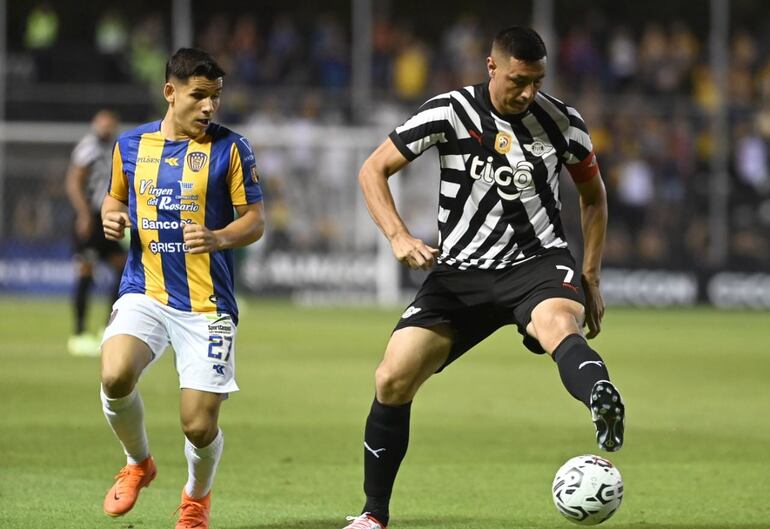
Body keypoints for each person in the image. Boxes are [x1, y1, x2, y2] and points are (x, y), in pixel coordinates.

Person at [343, 26, 624, 529]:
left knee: (559, 323)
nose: (528, 93)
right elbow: (373, 169)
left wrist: (590, 275)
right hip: (461, 274)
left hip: (537, 265)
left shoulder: (562, 122)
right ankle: (373, 515)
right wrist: (397, 236)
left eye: (537, 81)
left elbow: (593, 195)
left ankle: (601, 396)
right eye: (518, 80)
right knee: (392, 378)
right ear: (492, 67)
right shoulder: (449, 112)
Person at [99, 48, 264, 529]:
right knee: (114, 375)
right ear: (170, 93)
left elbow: (255, 220)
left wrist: (218, 238)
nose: (210, 107)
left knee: (197, 423)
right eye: (199, 96)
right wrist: (111, 215)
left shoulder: (232, 148)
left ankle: (196, 497)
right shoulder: (130, 146)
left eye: (216, 96)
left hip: (206, 304)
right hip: (145, 290)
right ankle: (139, 463)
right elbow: (114, 198)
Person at [65, 109, 125, 357]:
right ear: (95, 125)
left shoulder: (116, 147)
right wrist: (82, 214)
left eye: (110, 124)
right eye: (102, 124)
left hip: (107, 218)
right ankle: (79, 333)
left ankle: (106, 327)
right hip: (90, 218)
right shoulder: (87, 148)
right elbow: (74, 182)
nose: (106, 128)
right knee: (85, 270)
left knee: (121, 268)